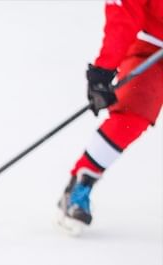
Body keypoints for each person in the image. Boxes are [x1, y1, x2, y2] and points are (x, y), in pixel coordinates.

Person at [57, 0, 163, 233]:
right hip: (153, 47)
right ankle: (81, 183)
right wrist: (104, 69)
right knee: (133, 112)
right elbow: (123, 16)